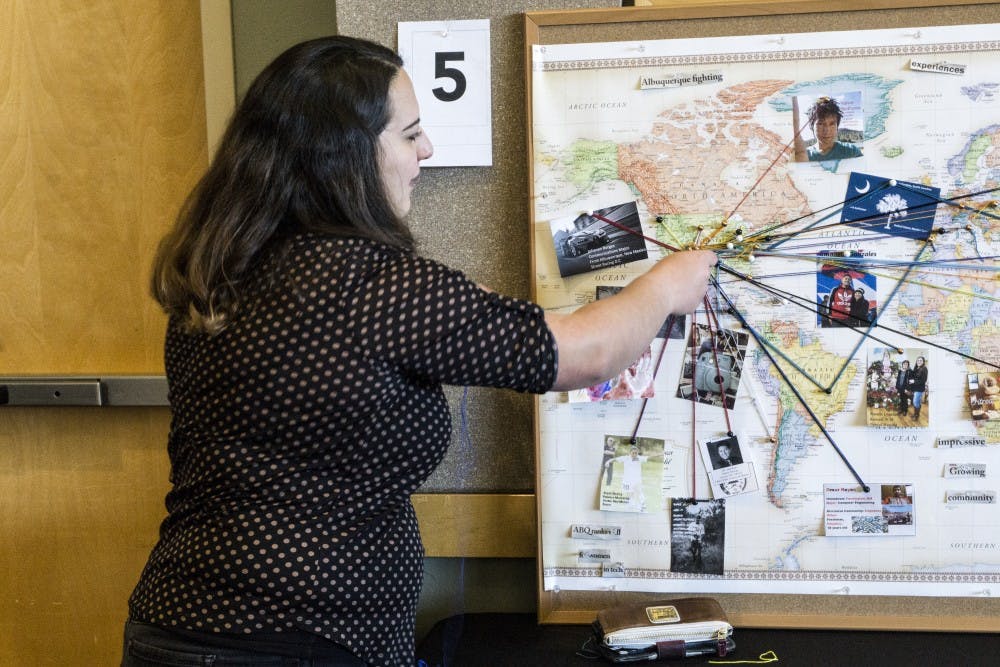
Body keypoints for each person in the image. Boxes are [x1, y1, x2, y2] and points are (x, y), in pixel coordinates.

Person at [120, 36, 717, 666]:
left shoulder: (220, 270)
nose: (426, 151)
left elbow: (351, 363)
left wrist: (477, 309)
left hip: (174, 626)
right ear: (345, 156)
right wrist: (667, 286)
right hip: (303, 643)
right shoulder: (373, 283)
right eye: (410, 134)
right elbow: (588, 353)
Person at [805, 96, 862, 161]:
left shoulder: (851, 152)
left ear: (837, 126)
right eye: (820, 124)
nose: (827, 130)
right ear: (811, 126)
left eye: (832, 124)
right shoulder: (804, 156)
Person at [909, 356, 929, 420]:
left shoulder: (924, 368)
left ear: (923, 362)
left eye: (921, 360)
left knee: (915, 402)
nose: (919, 361)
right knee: (917, 402)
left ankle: (916, 415)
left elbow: (923, 380)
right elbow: (914, 376)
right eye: (918, 360)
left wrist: (914, 381)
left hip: (919, 388)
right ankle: (916, 414)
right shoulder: (917, 368)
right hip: (915, 387)